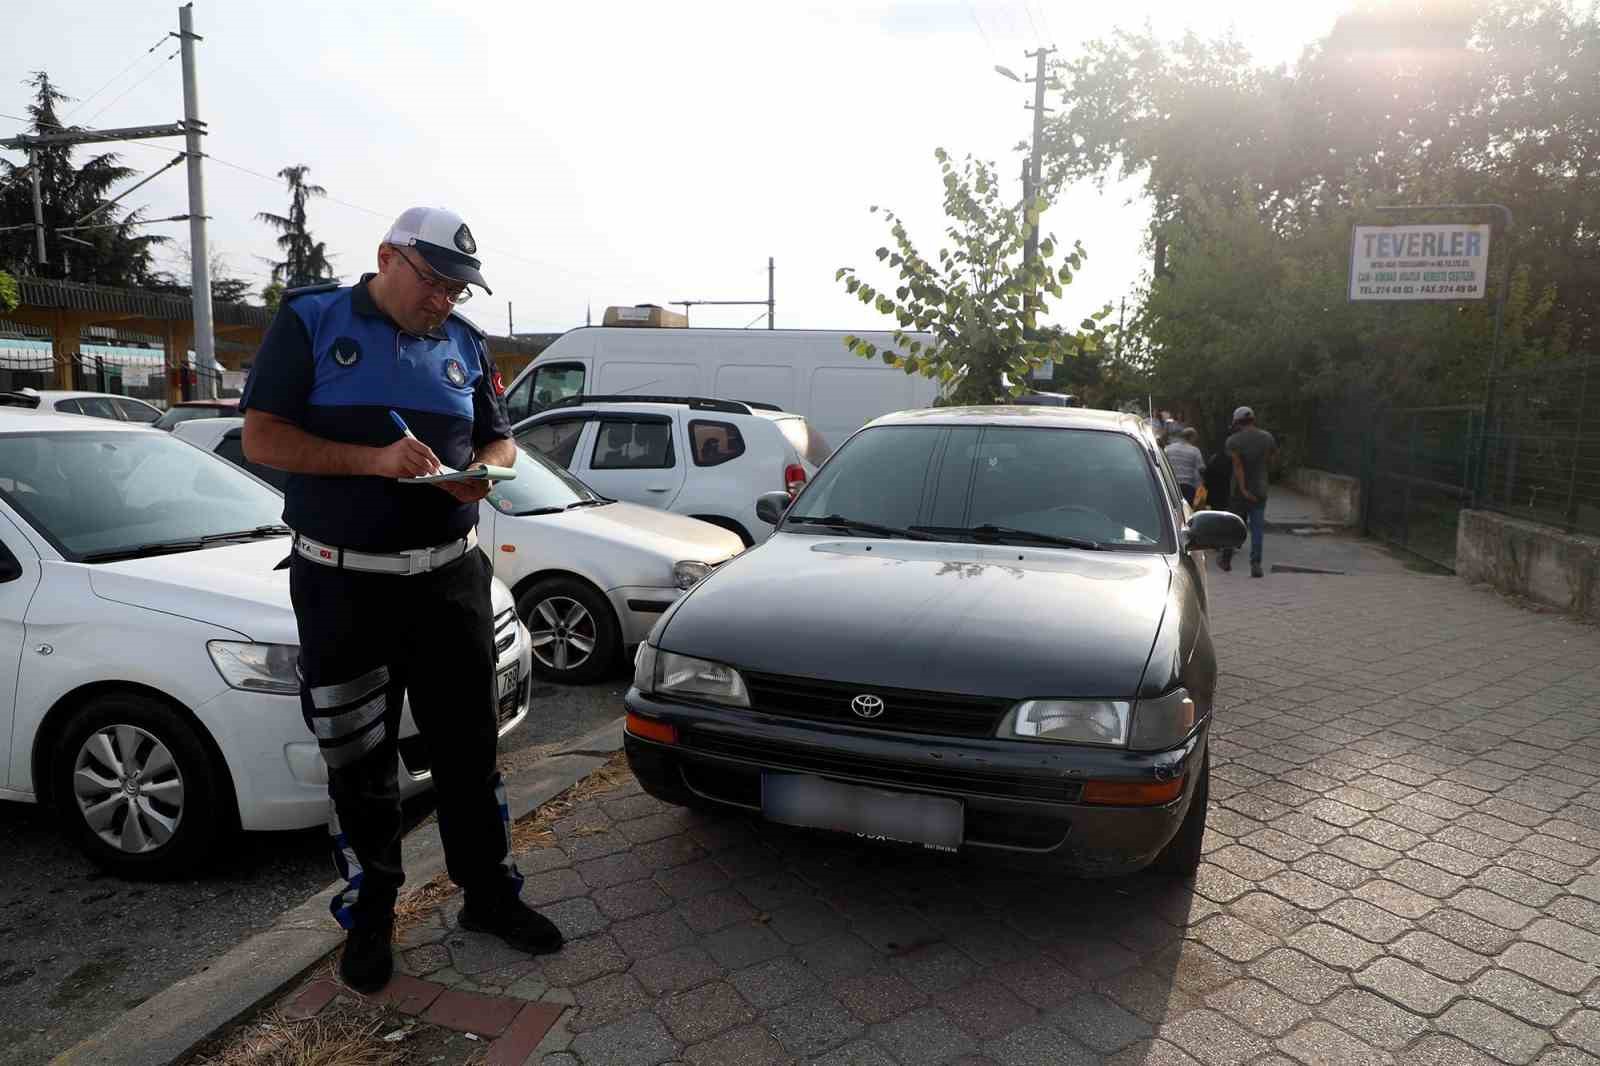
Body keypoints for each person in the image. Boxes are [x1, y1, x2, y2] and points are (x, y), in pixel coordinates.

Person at [239, 207, 562, 994]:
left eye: (458, 288)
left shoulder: (465, 341)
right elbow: (263, 438)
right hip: (343, 584)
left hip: (452, 577)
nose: (445, 300)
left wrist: (483, 470)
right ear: (388, 256)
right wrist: (375, 461)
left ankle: (487, 897)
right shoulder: (312, 320)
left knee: (469, 751)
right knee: (359, 762)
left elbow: (501, 436)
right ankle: (373, 917)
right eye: (436, 282)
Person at [1219, 405, 1277, 578]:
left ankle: (1226, 560)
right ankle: (1256, 564)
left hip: (1239, 491)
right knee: (1257, 528)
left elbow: (1237, 465)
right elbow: (1272, 460)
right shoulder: (1267, 438)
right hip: (1260, 488)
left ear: (1237, 422)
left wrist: (1243, 488)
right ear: (1253, 419)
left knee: (1233, 526)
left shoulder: (1233, 441)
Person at [1164, 427, 1204, 505]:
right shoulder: (1195, 450)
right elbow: (1201, 469)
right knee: (1187, 509)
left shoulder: (1168, 448)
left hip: (1172, 484)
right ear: (1192, 437)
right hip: (1188, 486)